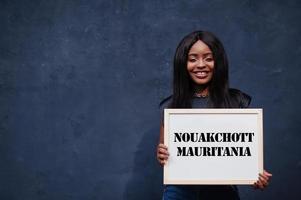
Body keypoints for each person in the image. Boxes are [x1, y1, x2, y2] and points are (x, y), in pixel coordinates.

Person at [156, 30, 272, 200]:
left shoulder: (236, 101)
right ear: (183, 63)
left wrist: (255, 173)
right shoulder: (171, 106)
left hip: (222, 192)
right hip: (179, 192)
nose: (201, 64)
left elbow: (244, 152)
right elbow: (164, 155)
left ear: (218, 63)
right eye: (193, 59)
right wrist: (161, 155)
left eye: (208, 58)